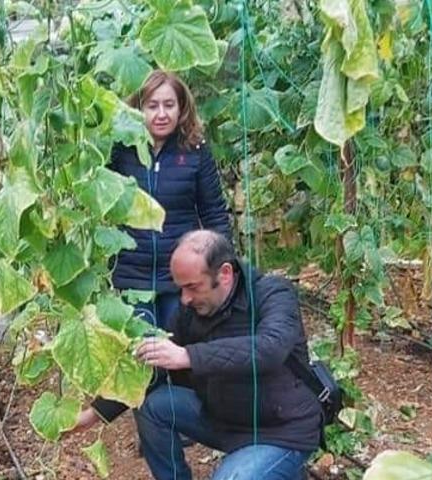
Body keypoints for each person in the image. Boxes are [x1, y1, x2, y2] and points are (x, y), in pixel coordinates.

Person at [74, 230, 322, 480]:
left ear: (224, 274)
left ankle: (277, 466)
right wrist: (95, 413)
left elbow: (270, 348)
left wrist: (188, 356)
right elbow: (155, 367)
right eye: (180, 288)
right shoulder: (191, 310)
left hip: (280, 431)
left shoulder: (273, 293)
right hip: (224, 420)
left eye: (192, 287)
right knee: (153, 407)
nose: (184, 298)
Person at [109, 69, 232, 331]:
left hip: (182, 278)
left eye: (169, 105)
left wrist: (223, 266)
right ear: (138, 108)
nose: (161, 114)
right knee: (143, 359)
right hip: (132, 275)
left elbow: (214, 213)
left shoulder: (195, 150)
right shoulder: (119, 148)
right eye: (152, 106)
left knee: (179, 353)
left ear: (181, 108)